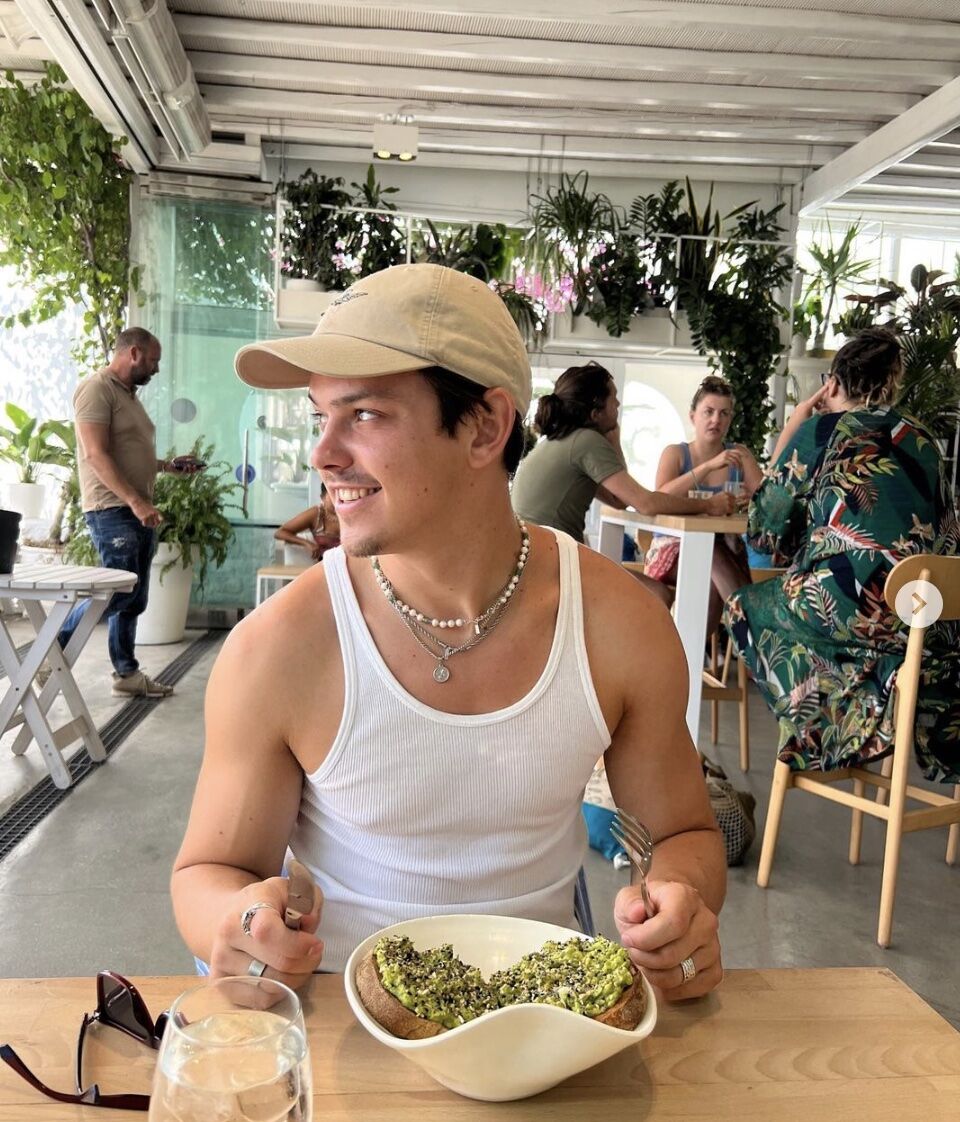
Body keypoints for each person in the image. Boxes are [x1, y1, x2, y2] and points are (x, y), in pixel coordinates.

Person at [171, 264, 726, 1004]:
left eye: (363, 414)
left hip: (546, 1020)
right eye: (319, 416)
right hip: (345, 1017)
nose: (323, 453)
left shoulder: (619, 628)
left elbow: (685, 833)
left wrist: (680, 901)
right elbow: (211, 869)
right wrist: (237, 922)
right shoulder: (282, 647)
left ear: (484, 426)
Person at [725, 328, 960, 782]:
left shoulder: (819, 432)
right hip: (922, 624)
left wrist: (793, 430)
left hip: (842, 613)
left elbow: (762, 536)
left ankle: (832, 731)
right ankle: (873, 709)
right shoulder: (925, 442)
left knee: (743, 607)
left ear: (832, 384)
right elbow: (949, 538)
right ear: (894, 381)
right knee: (851, 620)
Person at [56, 328, 203, 698]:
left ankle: (126, 673)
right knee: (116, 593)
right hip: (113, 509)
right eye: (153, 360)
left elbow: (128, 454)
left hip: (134, 509)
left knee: (133, 596)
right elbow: (95, 454)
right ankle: (52, 651)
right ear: (134, 353)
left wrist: (169, 466)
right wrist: (136, 502)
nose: (155, 368)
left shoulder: (127, 396)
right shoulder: (96, 389)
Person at [511, 363, 734, 546]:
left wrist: (615, 441)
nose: (618, 404)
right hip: (546, 556)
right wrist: (708, 505)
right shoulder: (586, 442)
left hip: (533, 551)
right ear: (596, 412)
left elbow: (618, 500)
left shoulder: (566, 438)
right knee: (653, 595)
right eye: (613, 398)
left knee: (653, 591)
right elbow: (645, 503)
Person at [644, 375, 763, 636]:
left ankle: (688, 661)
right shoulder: (676, 453)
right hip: (671, 552)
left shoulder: (740, 455)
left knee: (711, 570)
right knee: (711, 551)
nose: (715, 420)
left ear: (730, 419)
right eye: (708, 412)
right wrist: (708, 465)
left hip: (722, 552)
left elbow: (769, 498)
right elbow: (659, 497)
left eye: (724, 414)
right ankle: (755, 628)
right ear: (692, 416)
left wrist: (752, 500)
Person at [274, 484, 341, 562]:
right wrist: (307, 543)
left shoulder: (352, 513)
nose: (338, 500)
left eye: (341, 496)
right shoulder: (316, 514)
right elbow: (280, 533)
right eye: (333, 496)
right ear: (322, 498)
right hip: (324, 566)